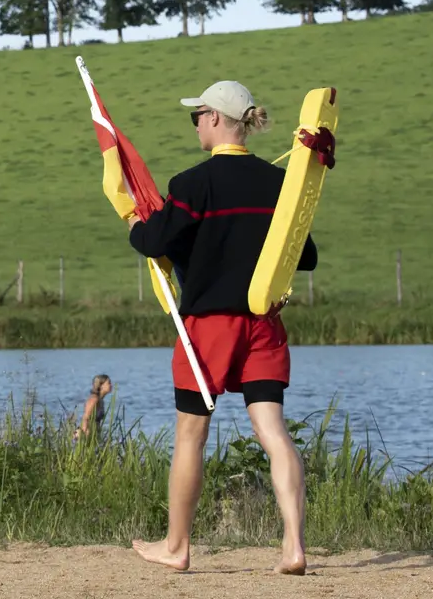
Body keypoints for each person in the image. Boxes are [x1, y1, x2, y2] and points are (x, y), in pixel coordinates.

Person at [126, 81, 318, 576]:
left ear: (214, 119)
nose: (195, 125)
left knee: (191, 434)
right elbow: (306, 255)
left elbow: (154, 241)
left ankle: (177, 546)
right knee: (273, 432)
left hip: (208, 326)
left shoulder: (192, 184)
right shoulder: (278, 183)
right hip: (264, 324)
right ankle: (294, 546)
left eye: (197, 116)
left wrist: (135, 225)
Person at [74, 374, 113, 441]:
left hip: (93, 433)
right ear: (101, 386)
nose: (111, 385)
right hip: (84, 433)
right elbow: (85, 417)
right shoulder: (94, 399)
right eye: (109, 383)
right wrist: (86, 432)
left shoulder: (101, 400)